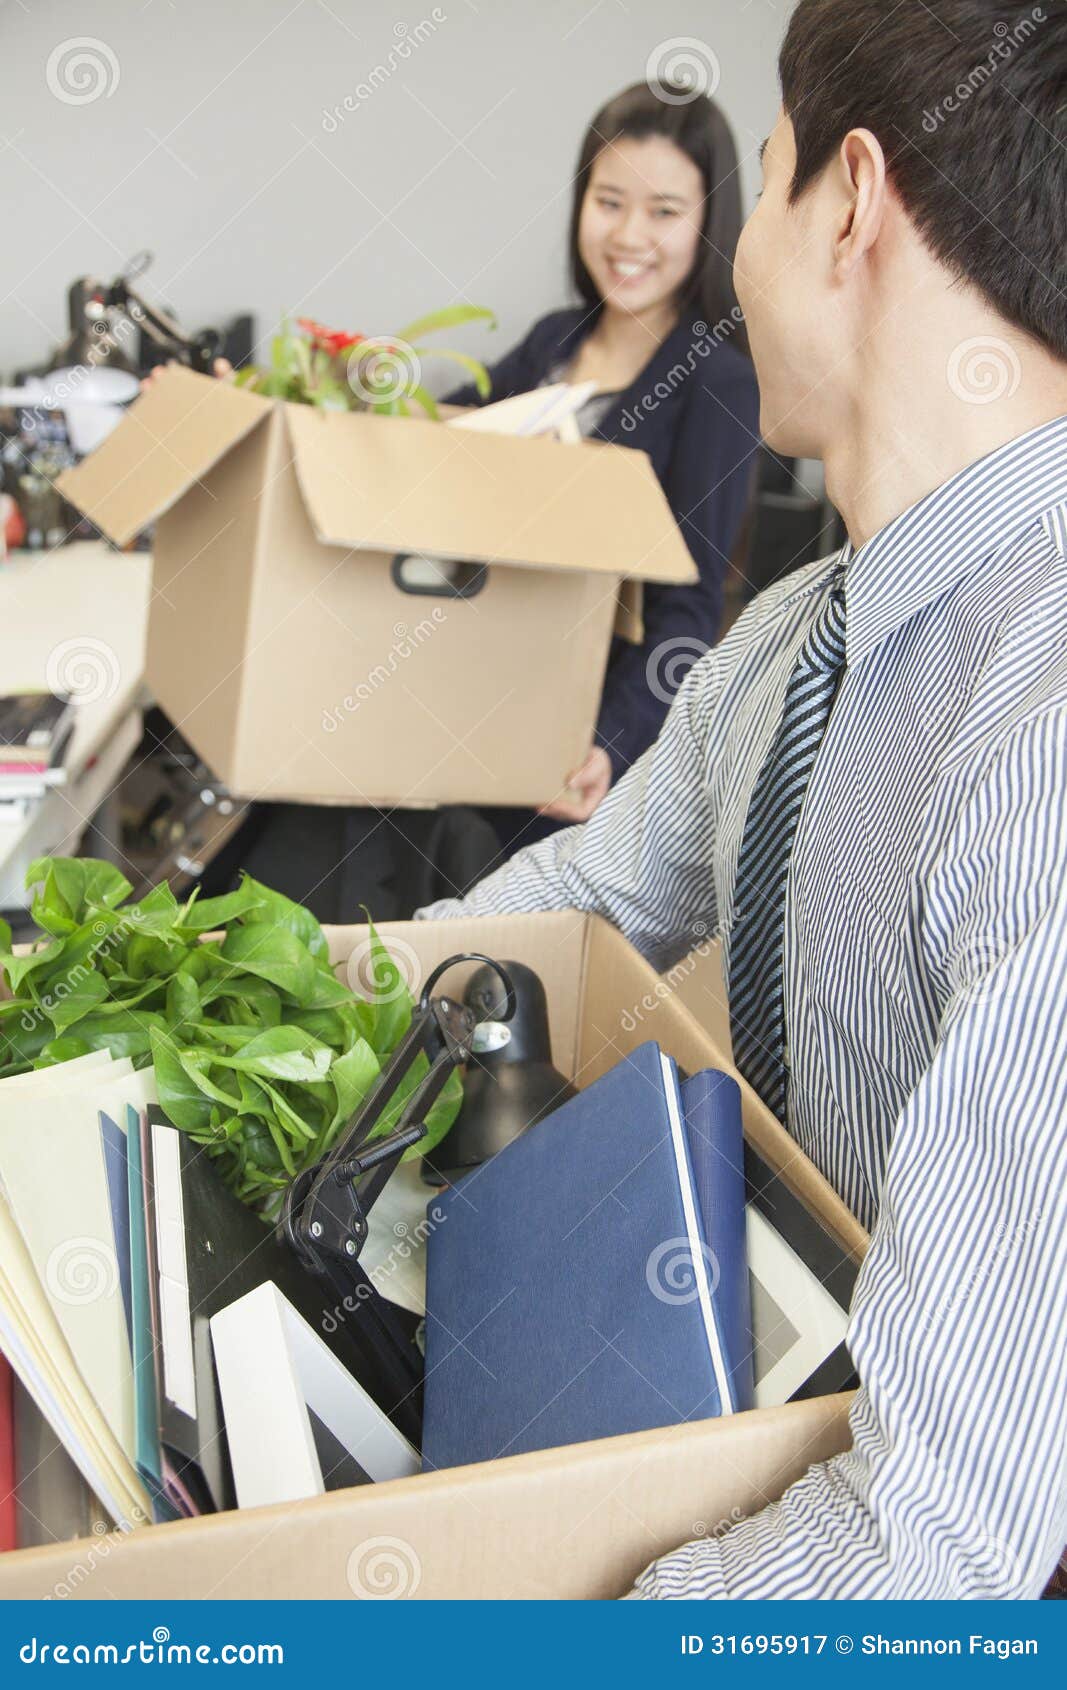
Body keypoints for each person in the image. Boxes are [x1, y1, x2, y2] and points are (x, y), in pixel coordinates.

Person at [414, 0, 1067, 1599]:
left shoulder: (1035, 720)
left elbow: (933, 1547)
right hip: (768, 1414)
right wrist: (258, 1003)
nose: (726, 271)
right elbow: (577, 902)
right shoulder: (803, 630)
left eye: (753, 184)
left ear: (843, 204)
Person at [444, 80, 759, 844]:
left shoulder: (716, 381)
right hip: (467, 692)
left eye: (663, 211)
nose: (628, 235)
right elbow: (433, 434)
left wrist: (611, 745)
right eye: (609, 201)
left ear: (709, 222)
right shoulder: (552, 341)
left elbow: (687, 611)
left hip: (573, 748)